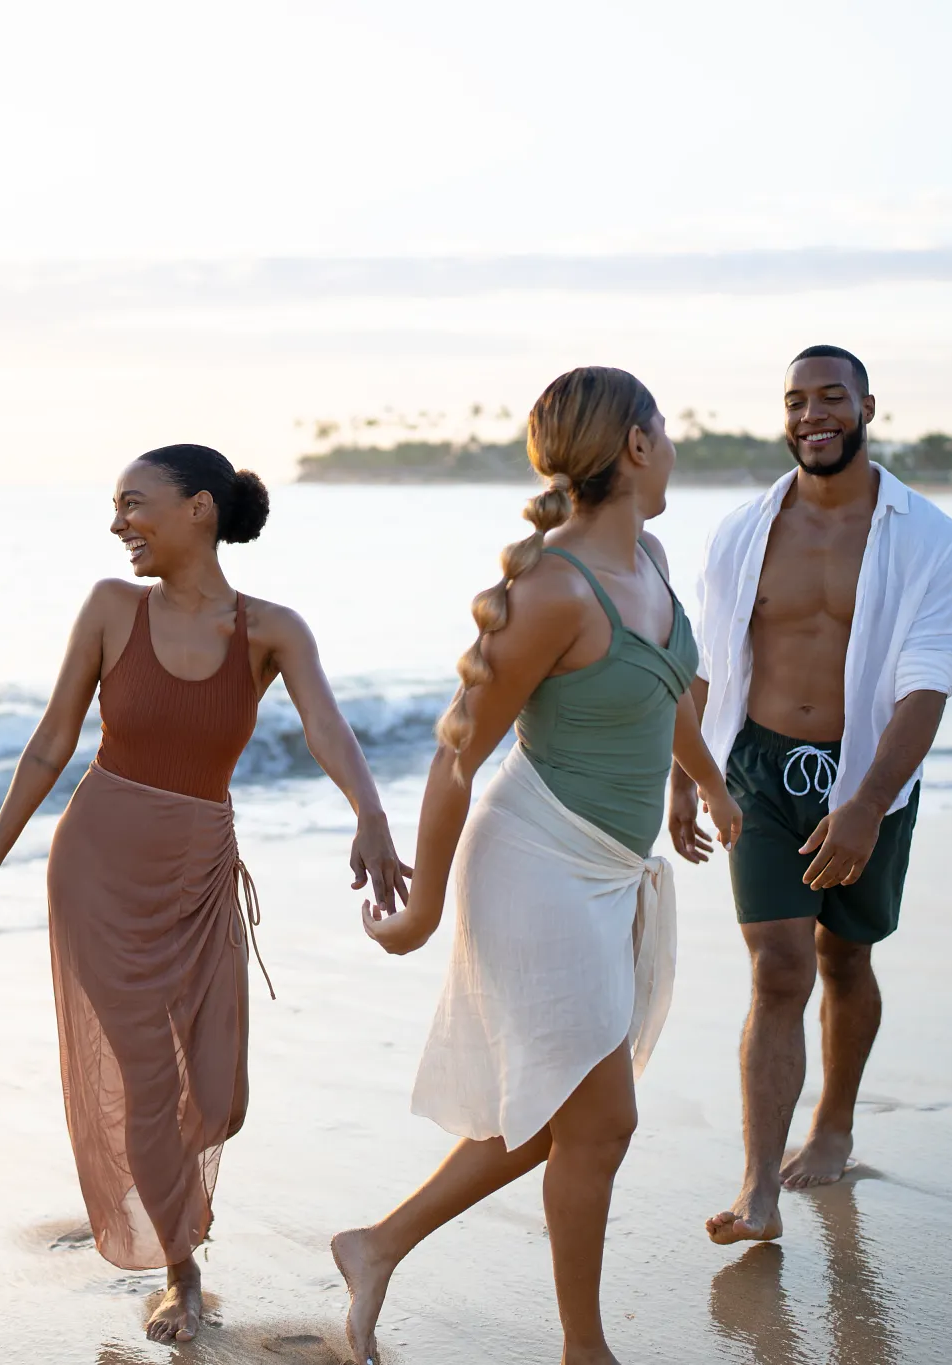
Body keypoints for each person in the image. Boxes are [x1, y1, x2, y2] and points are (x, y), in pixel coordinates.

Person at [0, 444, 411, 1346]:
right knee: (150, 1078)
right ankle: (181, 1272)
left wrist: (372, 813)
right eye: (116, 509)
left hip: (196, 870)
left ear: (198, 509)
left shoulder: (271, 629)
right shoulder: (114, 610)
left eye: (134, 504)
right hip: (99, 865)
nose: (119, 525)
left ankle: (172, 1193)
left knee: (220, 1088)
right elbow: (49, 743)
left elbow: (328, 727)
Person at [335, 367, 743, 1365]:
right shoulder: (551, 590)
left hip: (609, 870)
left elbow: (664, 692)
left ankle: (374, 1245)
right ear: (637, 446)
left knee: (561, 1102)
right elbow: (453, 758)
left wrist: (705, 786)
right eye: (666, 428)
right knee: (599, 1119)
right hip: (532, 865)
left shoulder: (645, 555)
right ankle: (582, 1350)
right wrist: (424, 911)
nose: (673, 445)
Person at [681, 345, 952, 1246]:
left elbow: (927, 684)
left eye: (832, 398)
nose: (814, 415)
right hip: (760, 770)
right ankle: (759, 1189)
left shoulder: (929, 536)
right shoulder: (741, 530)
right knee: (778, 968)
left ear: (867, 407)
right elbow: (708, 664)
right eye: (797, 400)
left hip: (865, 771)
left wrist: (866, 802)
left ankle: (835, 1122)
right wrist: (686, 774)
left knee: (845, 958)